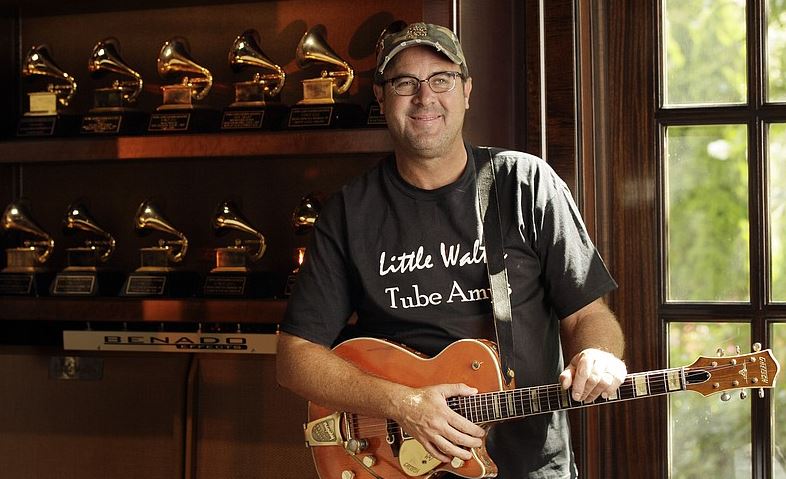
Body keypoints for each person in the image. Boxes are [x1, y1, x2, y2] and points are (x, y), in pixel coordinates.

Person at [276, 22, 627, 478]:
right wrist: (404, 404)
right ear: (381, 98)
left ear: (467, 91)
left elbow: (587, 314)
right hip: (394, 466)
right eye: (405, 82)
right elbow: (295, 357)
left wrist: (598, 353)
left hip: (531, 467)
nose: (425, 97)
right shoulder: (350, 211)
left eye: (441, 79)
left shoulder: (526, 185)